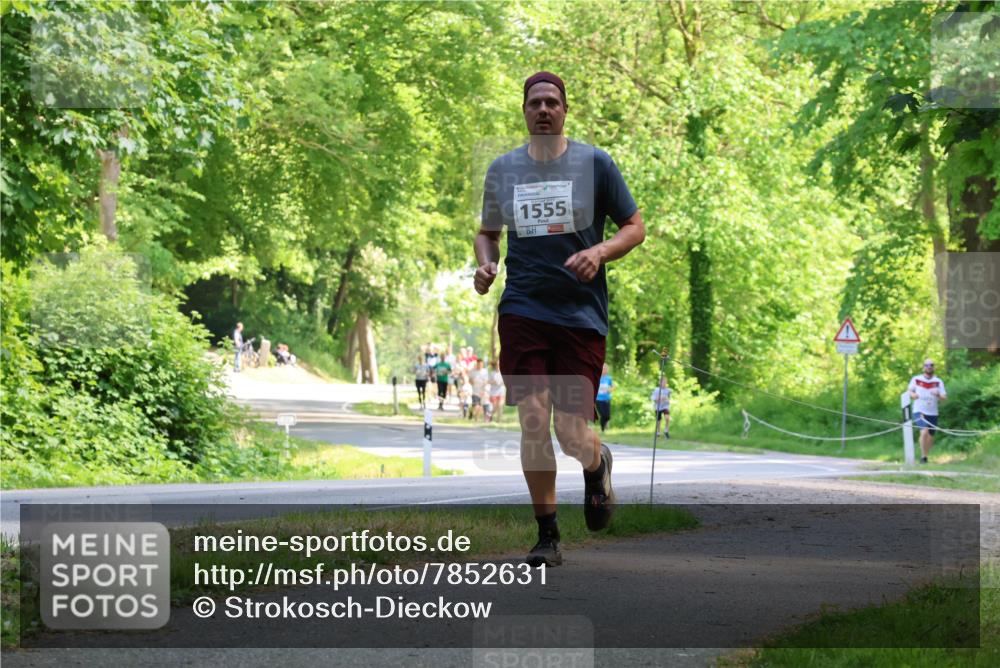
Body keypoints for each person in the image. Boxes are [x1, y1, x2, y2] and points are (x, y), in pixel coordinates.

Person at [474, 71, 645, 567]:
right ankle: (547, 535)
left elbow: (635, 227)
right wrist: (487, 263)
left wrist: (601, 251)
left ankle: (597, 463)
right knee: (533, 422)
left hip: (579, 315)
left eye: (552, 102)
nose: (543, 110)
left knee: (571, 433)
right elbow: (488, 232)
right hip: (523, 308)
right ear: (524, 112)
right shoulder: (503, 170)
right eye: (535, 103)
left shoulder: (595, 163)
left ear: (565, 110)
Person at [908, 359, 947, 463]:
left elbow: (944, 398)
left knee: (930, 437)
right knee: (924, 431)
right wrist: (913, 395)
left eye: (931, 365)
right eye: (926, 365)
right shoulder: (916, 379)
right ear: (923, 367)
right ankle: (923, 457)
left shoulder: (938, 381)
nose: (929, 367)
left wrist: (938, 394)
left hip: (933, 412)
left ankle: (925, 454)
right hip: (919, 410)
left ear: (934, 367)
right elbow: (909, 391)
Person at [595, 364, 613, 433]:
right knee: (603, 414)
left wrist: (610, 389)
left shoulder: (609, 378)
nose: (604, 370)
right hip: (598, 399)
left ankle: (605, 425)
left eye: (605, 369)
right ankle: (603, 429)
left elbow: (612, 387)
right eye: (603, 369)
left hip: (607, 399)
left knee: (608, 416)